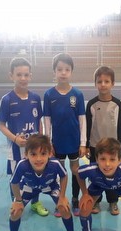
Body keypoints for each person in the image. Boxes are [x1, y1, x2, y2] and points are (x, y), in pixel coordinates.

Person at [0, 134, 78, 231]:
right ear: (26, 154)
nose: (38, 159)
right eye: (33, 154)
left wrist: (62, 197)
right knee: (16, 211)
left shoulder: (55, 164)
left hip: (50, 186)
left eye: (43, 154)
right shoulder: (22, 165)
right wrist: (18, 200)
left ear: (49, 154)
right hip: (29, 187)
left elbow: (64, 176)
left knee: (64, 207)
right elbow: (13, 182)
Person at [0, 57, 48, 217]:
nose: (23, 78)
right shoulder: (7, 100)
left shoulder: (35, 98)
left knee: (36, 175)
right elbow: (1, 125)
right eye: (19, 74)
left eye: (26, 75)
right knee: (16, 179)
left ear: (30, 76)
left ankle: (35, 203)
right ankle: (17, 203)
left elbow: (39, 121)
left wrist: (40, 140)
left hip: (34, 150)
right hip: (16, 150)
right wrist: (15, 139)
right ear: (11, 76)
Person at [43, 53, 87, 218]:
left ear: (71, 72)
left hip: (74, 142)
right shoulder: (49, 95)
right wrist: (48, 143)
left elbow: (82, 120)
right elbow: (47, 121)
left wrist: (83, 143)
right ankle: (59, 200)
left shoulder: (78, 94)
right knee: (58, 172)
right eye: (59, 69)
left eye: (67, 70)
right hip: (57, 144)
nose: (63, 73)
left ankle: (75, 199)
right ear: (54, 72)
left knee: (75, 171)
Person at [86, 66, 121, 215]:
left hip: (113, 148)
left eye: (106, 81)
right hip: (96, 147)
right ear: (95, 83)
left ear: (112, 83)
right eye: (100, 81)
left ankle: (113, 201)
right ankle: (95, 201)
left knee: (112, 175)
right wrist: (87, 146)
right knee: (96, 175)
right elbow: (87, 126)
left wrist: (120, 144)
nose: (103, 84)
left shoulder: (117, 104)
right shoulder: (91, 104)